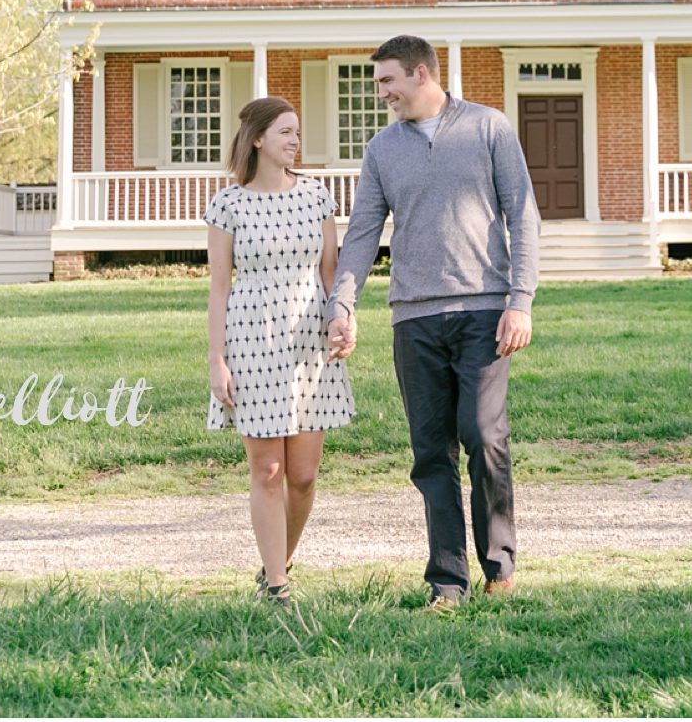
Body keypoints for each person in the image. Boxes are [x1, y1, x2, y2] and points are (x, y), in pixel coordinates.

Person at [326, 35, 539, 610]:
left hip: (484, 312)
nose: (382, 94)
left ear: (422, 74)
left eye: (387, 81)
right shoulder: (381, 150)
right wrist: (342, 305)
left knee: (483, 434)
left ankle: (499, 564)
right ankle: (447, 581)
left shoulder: (488, 127)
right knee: (430, 452)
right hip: (414, 318)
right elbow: (364, 233)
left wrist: (520, 300)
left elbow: (522, 213)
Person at [206, 95, 354, 611]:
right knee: (267, 470)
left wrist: (343, 318)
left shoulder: (317, 196)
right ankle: (277, 586)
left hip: (309, 338)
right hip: (250, 338)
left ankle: (279, 560)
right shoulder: (229, 204)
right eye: (286, 132)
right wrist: (216, 361)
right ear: (259, 139)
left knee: (304, 476)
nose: (295, 140)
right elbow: (219, 289)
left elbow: (332, 272)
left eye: (298, 132)